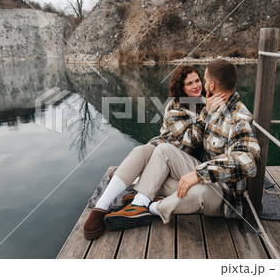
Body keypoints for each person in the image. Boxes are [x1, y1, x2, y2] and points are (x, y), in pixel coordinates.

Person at [103, 59, 261, 230]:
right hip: (194, 167)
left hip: (223, 194)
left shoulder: (239, 118)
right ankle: (139, 203)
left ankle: (153, 206)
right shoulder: (207, 106)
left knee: (195, 192)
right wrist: (199, 172)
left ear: (212, 85)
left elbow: (248, 162)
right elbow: (190, 140)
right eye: (190, 83)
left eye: (203, 80)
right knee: (161, 150)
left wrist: (200, 174)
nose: (200, 85)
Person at [83, 65, 225, 239]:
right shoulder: (175, 107)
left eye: (197, 81)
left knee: (182, 189)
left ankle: (139, 187)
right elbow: (191, 139)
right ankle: (101, 208)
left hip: (181, 167)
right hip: (162, 153)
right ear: (181, 88)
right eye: (189, 83)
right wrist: (207, 114)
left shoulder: (206, 103)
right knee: (141, 150)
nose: (196, 85)